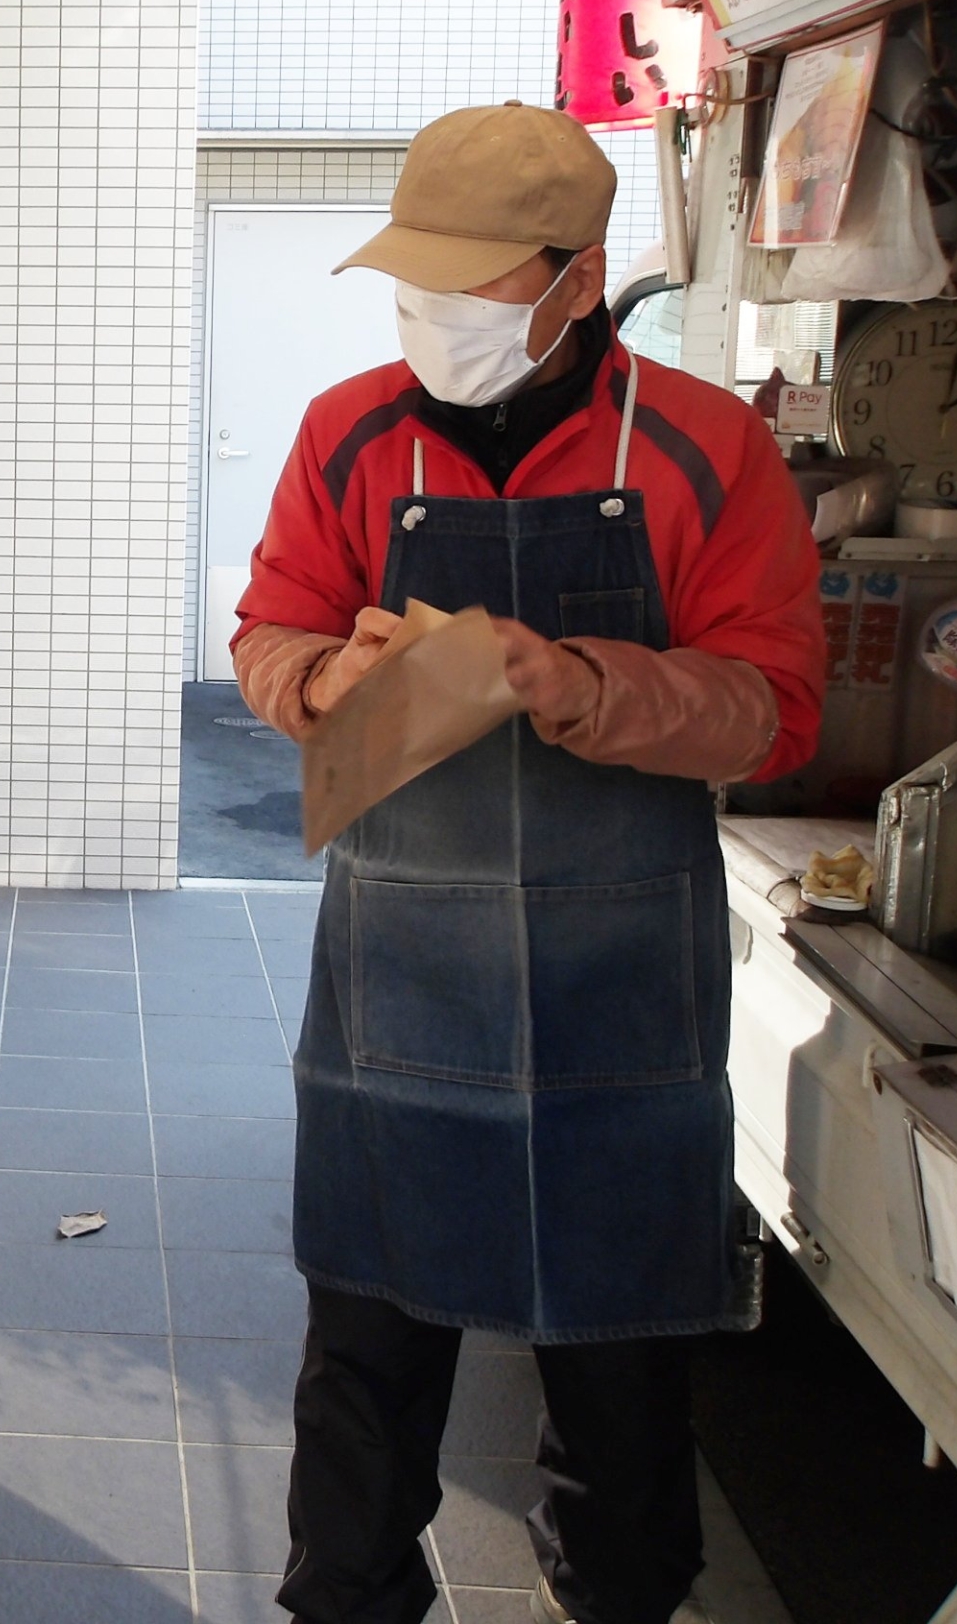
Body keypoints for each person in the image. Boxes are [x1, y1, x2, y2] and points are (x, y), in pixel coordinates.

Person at [231, 104, 825, 1624]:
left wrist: (581, 683)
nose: (435, 317)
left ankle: (621, 1599)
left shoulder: (706, 449)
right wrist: (320, 680)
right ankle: (346, 1600)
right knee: (363, 1361)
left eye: (478, 285)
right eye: (415, 282)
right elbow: (269, 629)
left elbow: (774, 711)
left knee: (622, 1374)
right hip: (400, 987)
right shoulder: (349, 433)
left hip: (619, 997)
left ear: (577, 280)